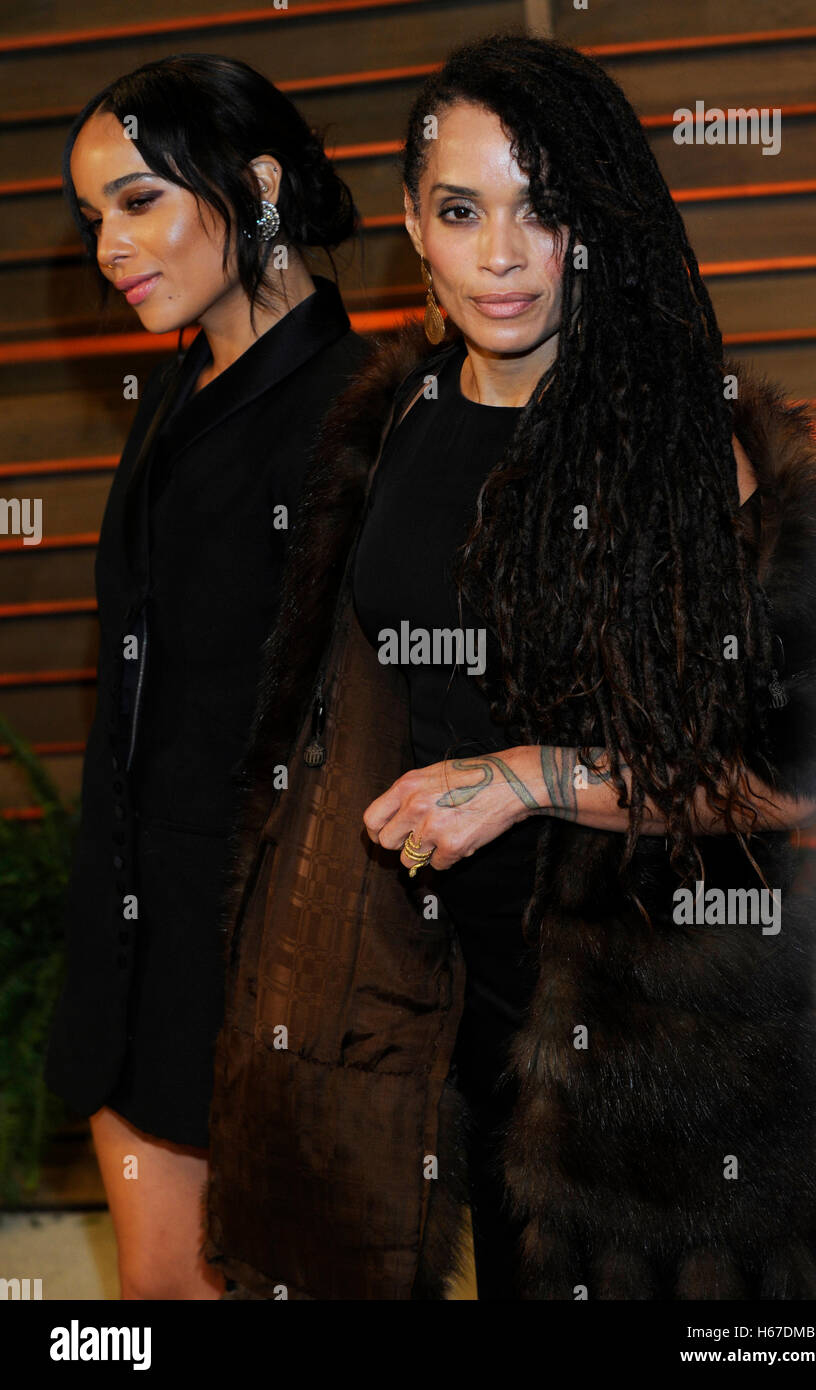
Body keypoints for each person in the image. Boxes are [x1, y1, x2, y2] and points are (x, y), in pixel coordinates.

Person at [203, 35, 816, 1299]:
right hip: (438, 1014)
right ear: (413, 222)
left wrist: (528, 775)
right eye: (462, 210)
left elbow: (793, 779)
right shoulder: (391, 419)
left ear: (599, 223)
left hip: (650, 1061)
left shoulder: (693, 453)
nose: (501, 255)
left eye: (545, 210)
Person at [43, 53, 370, 1299]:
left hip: (272, 957)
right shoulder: (175, 387)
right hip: (139, 944)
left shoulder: (363, 410)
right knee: (155, 1298)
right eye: (93, 220)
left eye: (137, 201)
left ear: (257, 183)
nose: (110, 247)